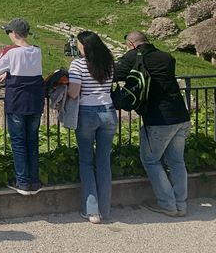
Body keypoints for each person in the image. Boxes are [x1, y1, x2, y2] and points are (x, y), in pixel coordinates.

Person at [116, 30, 190, 217]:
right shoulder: (166, 57)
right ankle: (181, 205)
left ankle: (168, 205)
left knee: (151, 160)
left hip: (159, 118)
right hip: (181, 114)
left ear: (131, 44)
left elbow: (116, 74)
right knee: (176, 161)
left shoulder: (134, 56)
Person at [0, 18, 44, 196]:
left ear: (15, 34)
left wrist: (6, 70)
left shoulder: (11, 53)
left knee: (19, 143)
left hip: (17, 102)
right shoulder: (37, 51)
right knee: (32, 141)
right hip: (35, 101)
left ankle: (22, 182)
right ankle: (34, 181)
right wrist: (9, 70)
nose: (8, 35)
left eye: (8, 32)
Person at [66, 31, 116, 223]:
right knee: (104, 161)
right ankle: (105, 209)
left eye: (78, 44)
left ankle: (92, 210)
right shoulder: (108, 63)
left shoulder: (78, 64)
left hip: (87, 112)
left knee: (86, 161)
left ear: (84, 46)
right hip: (108, 112)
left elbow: (74, 92)